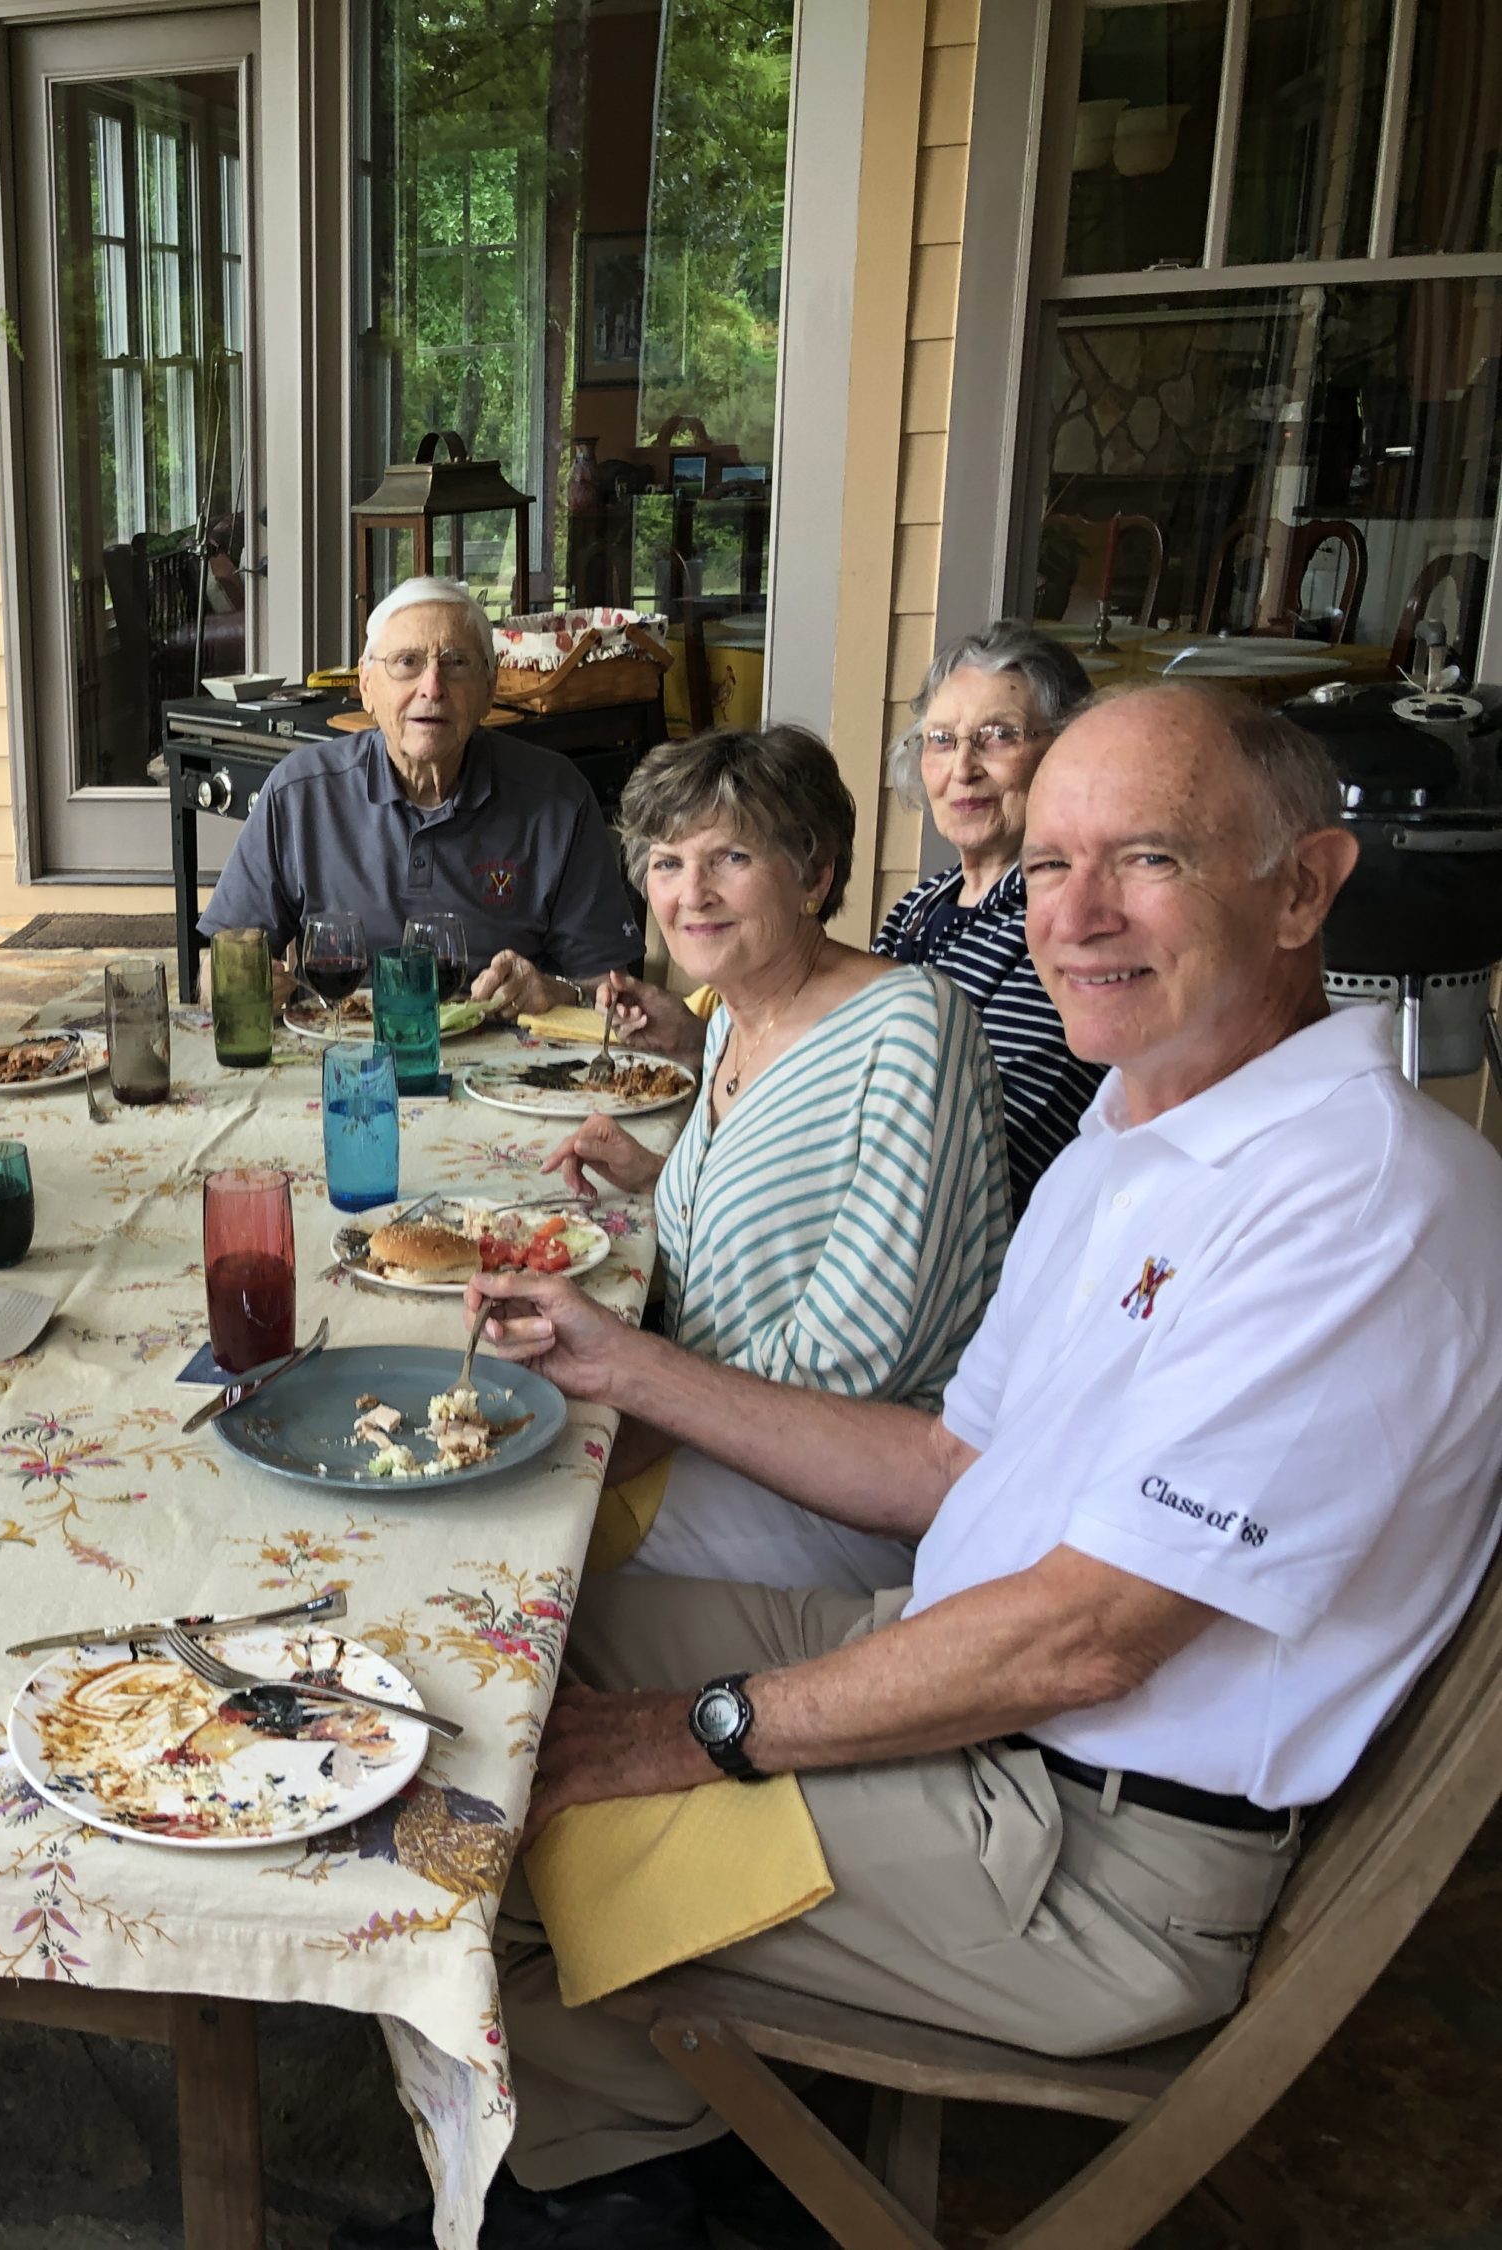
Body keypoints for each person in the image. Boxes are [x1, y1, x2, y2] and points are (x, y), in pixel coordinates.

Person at [454, 683, 1502, 2249]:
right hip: (963, 1674)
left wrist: (709, 1727)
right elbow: (950, 1460)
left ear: (1304, 886)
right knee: (495, 1670)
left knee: (524, 1804)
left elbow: (1091, 1633)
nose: (1072, 915)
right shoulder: (1135, 1132)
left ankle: (633, 2188)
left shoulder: (1357, 1204)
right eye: (1054, 860)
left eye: (1147, 859)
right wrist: (620, 1363)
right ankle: (663, 2134)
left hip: (1085, 1846)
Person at [543, 724, 1012, 1594]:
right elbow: (771, 1210)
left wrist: (633, 1420)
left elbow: (861, 1346)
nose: (692, 893)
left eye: (730, 859)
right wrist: (657, 1177)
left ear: (816, 876)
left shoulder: (911, 1027)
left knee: (528, 1536)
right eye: (668, 861)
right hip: (709, 1431)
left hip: (839, 1493)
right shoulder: (734, 1013)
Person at [199, 575, 644, 1013]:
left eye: (455, 663)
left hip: (504, 1064)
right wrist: (241, 986)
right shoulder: (299, 794)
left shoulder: (558, 797)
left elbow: (610, 988)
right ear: (367, 687)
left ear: (490, 689)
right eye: (408, 662)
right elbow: (214, 977)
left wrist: (558, 992)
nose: (432, 687)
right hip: (338, 1051)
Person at [870, 622, 1110, 1209]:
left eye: (999, 736)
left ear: (1067, 749)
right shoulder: (921, 905)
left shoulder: (1061, 924)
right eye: (942, 739)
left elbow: (993, 1152)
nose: (963, 768)